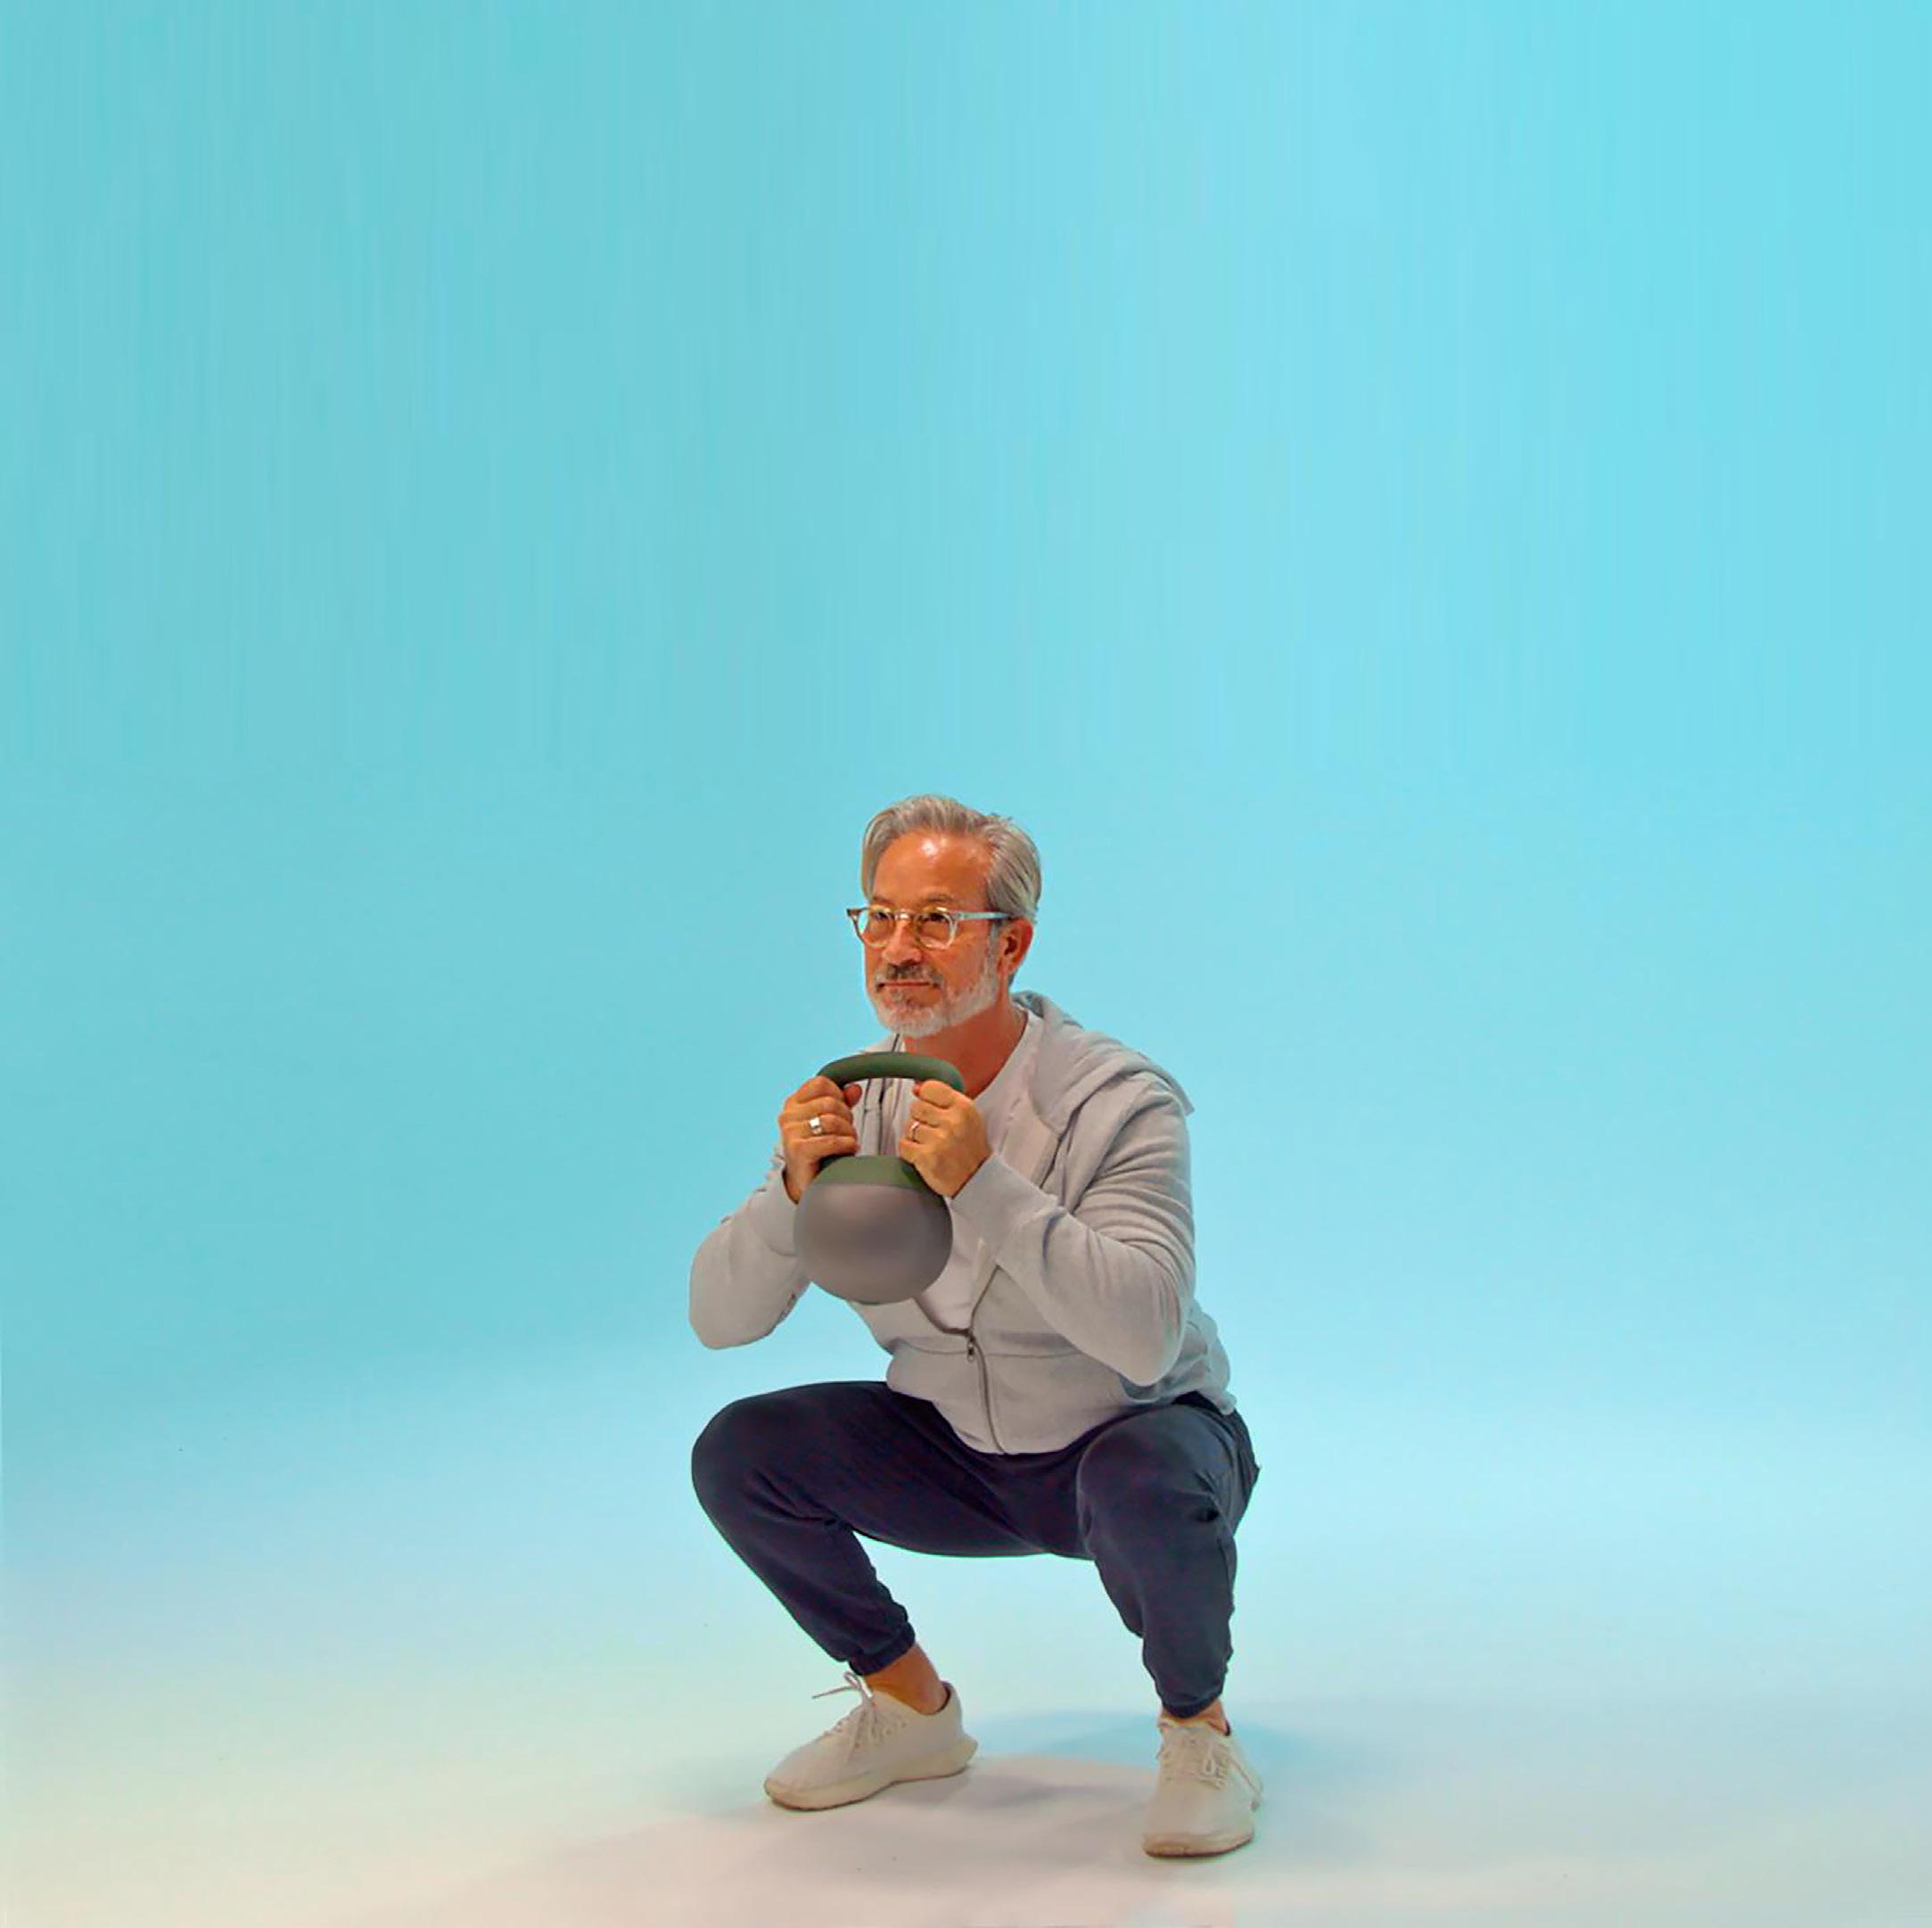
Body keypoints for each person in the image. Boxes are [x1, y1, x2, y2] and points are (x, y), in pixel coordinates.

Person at [688, 794, 1263, 1858]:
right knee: (740, 1451)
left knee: (1145, 1479)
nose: (899, 947)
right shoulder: (853, 1103)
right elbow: (719, 1319)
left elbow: (1144, 1333)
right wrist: (789, 1191)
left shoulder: (1117, 1100)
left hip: (1125, 1439)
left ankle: (1200, 1731)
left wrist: (986, 1183)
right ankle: (911, 1710)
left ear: (1014, 943)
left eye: (937, 920)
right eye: (879, 916)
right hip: (955, 1451)